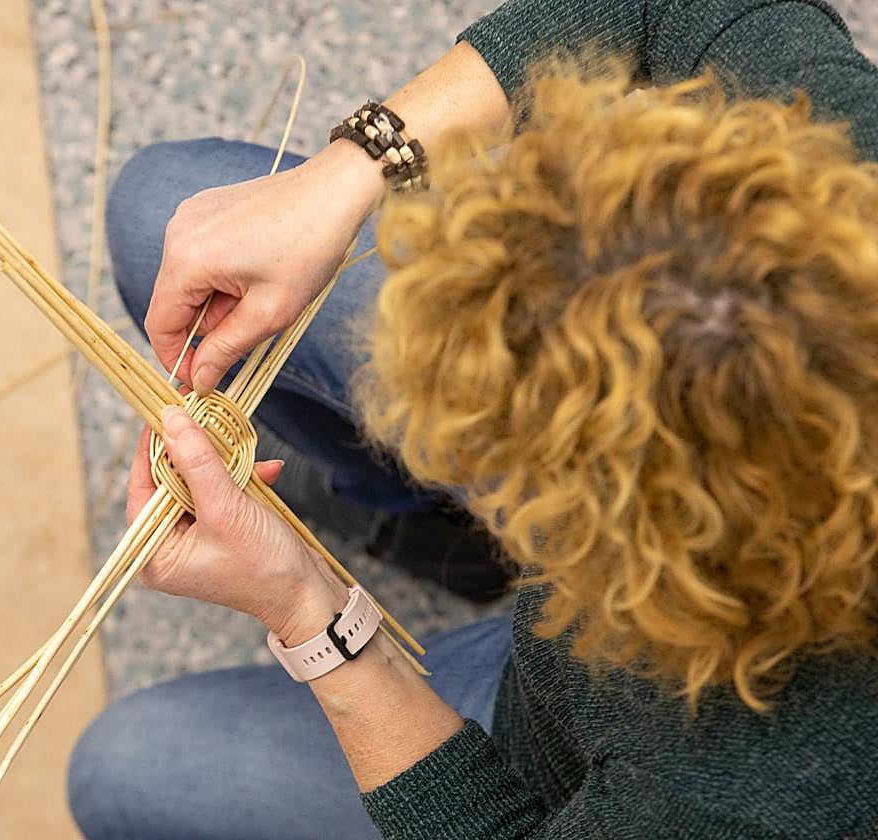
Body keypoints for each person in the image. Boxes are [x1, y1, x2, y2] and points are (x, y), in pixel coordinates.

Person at [68, 0, 878, 837]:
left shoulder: (765, 794)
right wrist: (353, 171)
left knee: (123, 771)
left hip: (564, 748)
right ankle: (430, 535)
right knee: (164, 213)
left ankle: (424, 537)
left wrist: (307, 610)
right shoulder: (848, 189)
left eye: (492, 456)